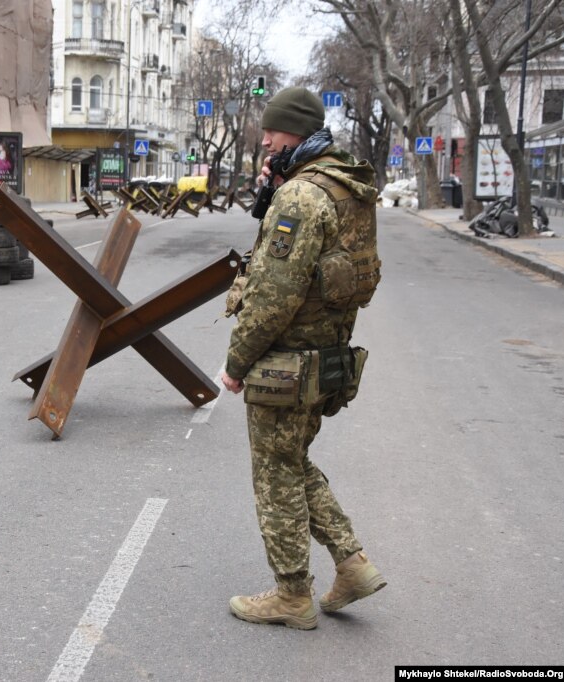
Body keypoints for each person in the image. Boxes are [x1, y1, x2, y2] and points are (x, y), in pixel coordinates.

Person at [220, 86, 386, 630]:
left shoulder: (302, 197)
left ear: (301, 131)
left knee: (274, 471)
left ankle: (292, 594)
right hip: (328, 356)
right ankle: (352, 565)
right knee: (291, 462)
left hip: (286, 363)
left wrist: (237, 364)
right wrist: (269, 193)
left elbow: (272, 297)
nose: (265, 138)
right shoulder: (346, 188)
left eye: (275, 129)